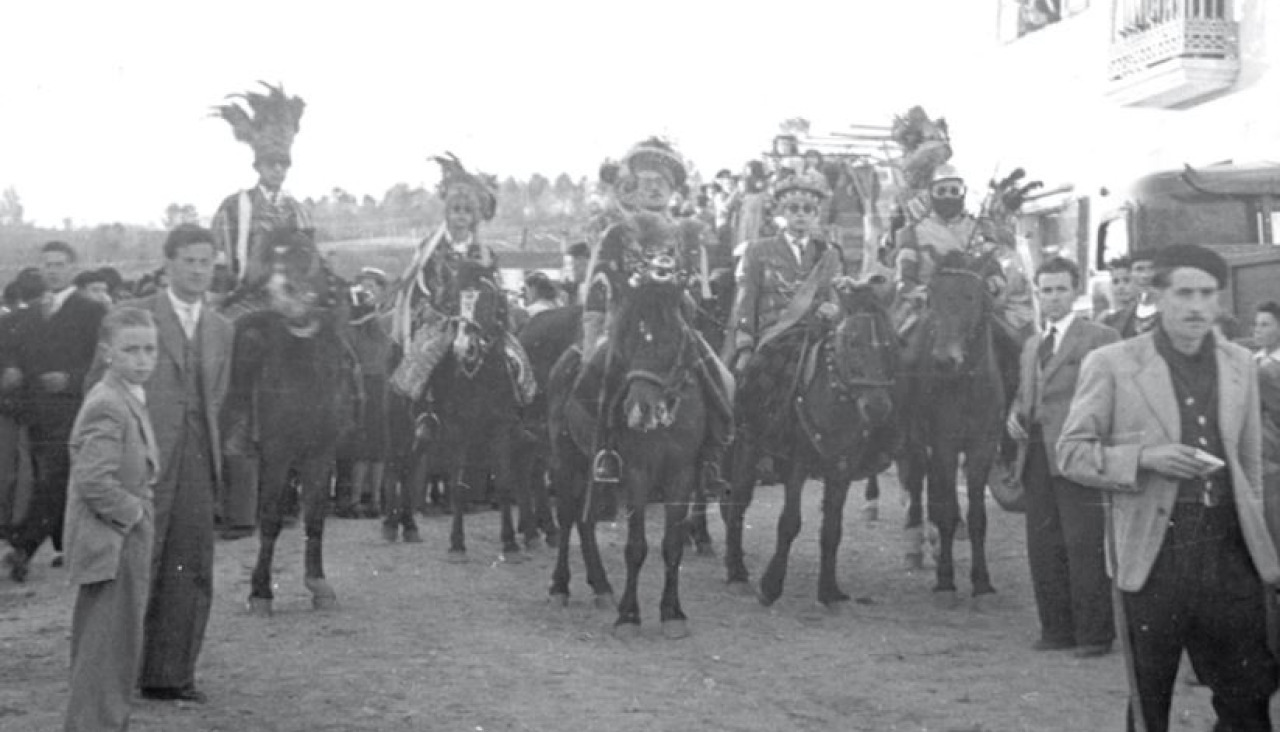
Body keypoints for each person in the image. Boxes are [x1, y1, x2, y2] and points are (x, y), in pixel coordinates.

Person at [1057, 244, 1280, 731]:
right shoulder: (1112, 362)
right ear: (1156, 296)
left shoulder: (1241, 362)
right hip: (1155, 552)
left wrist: (1259, 542)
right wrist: (1144, 459)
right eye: (1184, 293)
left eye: (1207, 294)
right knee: (1149, 696)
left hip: (1229, 549)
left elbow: (1247, 467)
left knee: (1249, 693)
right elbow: (1071, 453)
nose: (1197, 305)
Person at [107, 224, 232, 703]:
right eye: (189, 261)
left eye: (207, 261)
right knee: (135, 562)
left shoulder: (222, 328)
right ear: (168, 264)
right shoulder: (133, 318)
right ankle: (117, 668)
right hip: (142, 460)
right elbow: (102, 389)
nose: (199, 270)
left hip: (198, 459)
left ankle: (170, 674)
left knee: (191, 564)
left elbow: (217, 398)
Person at [1007, 256, 1119, 658]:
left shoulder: (1099, 337)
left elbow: (1113, 394)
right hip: (1036, 455)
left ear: (1075, 292)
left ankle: (1093, 634)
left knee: (1083, 543)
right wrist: (1014, 417)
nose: (1053, 298)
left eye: (1060, 289)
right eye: (1046, 290)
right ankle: (1055, 629)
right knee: (1042, 544)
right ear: (1037, 294)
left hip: (1077, 453)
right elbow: (1025, 394)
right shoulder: (1032, 344)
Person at [63, 306, 159, 732]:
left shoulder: (125, 397)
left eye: (150, 349)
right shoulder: (108, 403)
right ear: (107, 353)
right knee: (105, 648)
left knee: (115, 644)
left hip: (119, 538)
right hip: (112, 541)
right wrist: (134, 512)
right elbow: (93, 480)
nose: (142, 359)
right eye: (131, 349)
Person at [389, 153, 534, 407]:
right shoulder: (430, 249)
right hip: (442, 319)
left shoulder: (486, 253)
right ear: (447, 213)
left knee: (516, 356)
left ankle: (521, 410)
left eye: (467, 211)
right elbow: (423, 286)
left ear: (475, 217)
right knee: (421, 360)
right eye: (456, 210)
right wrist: (436, 311)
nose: (461, 216)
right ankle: (423, 413)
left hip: (482, 321)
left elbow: (494, 286)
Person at [2, 242, 107, 582]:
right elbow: (14, 351)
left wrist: (71, 380)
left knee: (54, 476)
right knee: (47, 478)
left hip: (73, 409)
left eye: (59, 264)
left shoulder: (91, 311)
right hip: (35, 411)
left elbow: (102, 360)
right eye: (47, 264)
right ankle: (64, 545)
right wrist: (14, 369)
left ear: (72, 267)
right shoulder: (30, 313)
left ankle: (24, 546)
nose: (52, 270)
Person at [209, 82, 314, 288]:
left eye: (283, 164)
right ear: (257, 166)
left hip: (291, 295)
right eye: (271, 163)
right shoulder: (233, 207)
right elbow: (218, 253)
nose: (277, 170)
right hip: (242, 292)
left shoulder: (299, 211)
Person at [1254, 301, 1280, 506]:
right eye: (1256, 324)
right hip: (1263, 451)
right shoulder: (1251, 362)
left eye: (1265, 324)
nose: (1257, 330)